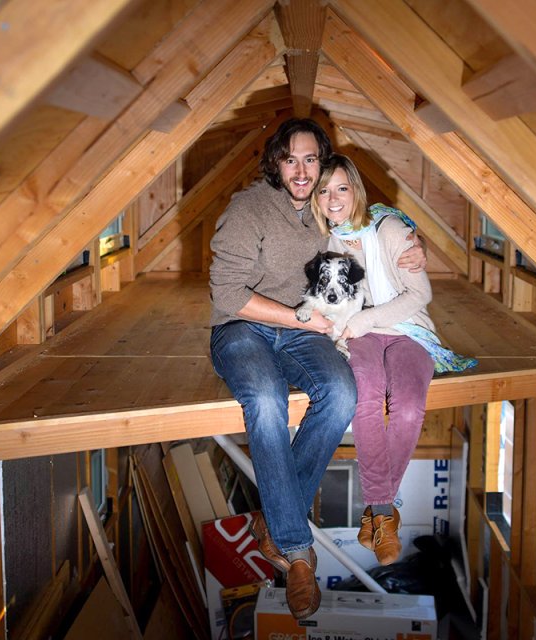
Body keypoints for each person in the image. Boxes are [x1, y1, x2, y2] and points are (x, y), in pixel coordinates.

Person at [208, 120, 425, 619]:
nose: (302, 171)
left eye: (311, 159)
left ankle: (274, 521)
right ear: (275, 163)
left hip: (305, 328)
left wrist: (414, 245)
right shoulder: (247, 210)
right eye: (291, 160)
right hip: (243, 327)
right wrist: (301, 319)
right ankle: (297, 552)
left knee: (343, 393)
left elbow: (374, 217)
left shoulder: (324, 209)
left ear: (322, 163)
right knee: (266, 401)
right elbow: (227, 293)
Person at [311, 154, 478, 566]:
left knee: (407, 407)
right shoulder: (328, 242)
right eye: (324, 191)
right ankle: (385, 515)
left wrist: (364, 319)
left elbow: (420, 295)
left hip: (408, 330)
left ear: (356, 190)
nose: (333, 199)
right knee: (365, 397)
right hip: (361, 334)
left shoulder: (389, 229)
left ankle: (377, 509)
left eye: (341, 188)